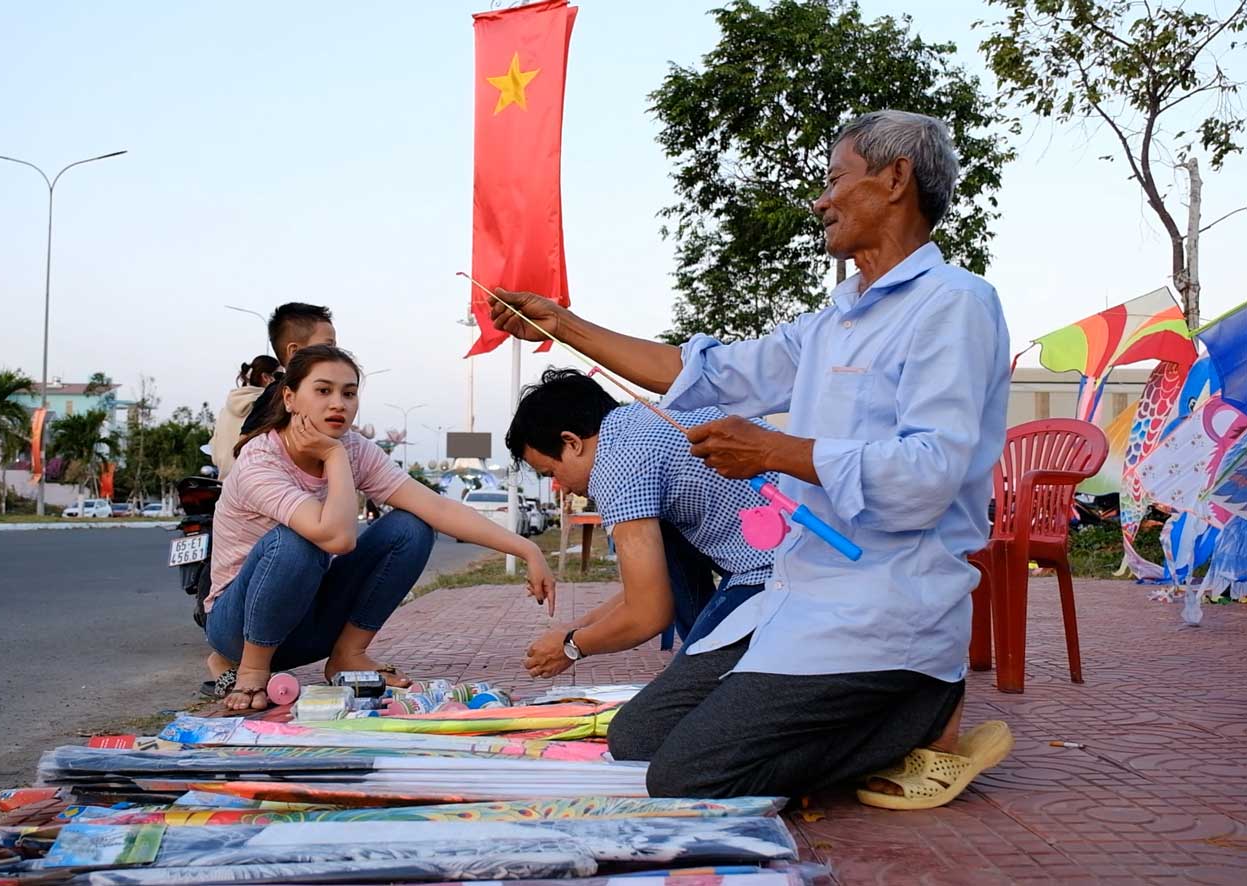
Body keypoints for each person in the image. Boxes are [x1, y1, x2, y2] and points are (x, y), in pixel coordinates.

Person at [487, 110, 1013, 810]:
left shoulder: (955, 305)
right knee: (639, 735)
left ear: (894, 180)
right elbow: (705, 371)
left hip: (884, 603)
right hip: (795, 595)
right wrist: (565, 324)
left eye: (833, 180)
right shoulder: (833, 321)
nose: (820, 200)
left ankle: (919, 705)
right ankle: (868, 715)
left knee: (685, 776)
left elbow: (926, 474)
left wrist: (772, 450)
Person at [206, 344, 555, 711]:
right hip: (239, 627)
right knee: (298, 540)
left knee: (411, 526)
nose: (338, 403)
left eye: (349, 393)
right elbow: (337, 538)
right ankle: (251, 671)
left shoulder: (353, 448)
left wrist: (526, 548)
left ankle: (348, 654)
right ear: (290, 398)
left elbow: (435, 505)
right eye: (323, 391)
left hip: (306, 625)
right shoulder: (261, 459)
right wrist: (334, 455)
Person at [507, 368, 776, 678]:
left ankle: (706, 672)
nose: (562, 487)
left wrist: (571, 646)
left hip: (779, 567)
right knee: (665, 534)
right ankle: (702, 660)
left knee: (655, 716)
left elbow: (648, 613)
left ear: (572, 442)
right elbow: (648, 586)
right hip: (795, 543)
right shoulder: (643, 419)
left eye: (552, 472)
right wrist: (577, 627)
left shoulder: (615, 466)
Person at [210, 303, 338, 476]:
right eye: (328, 347)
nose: (336, 354)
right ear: (294, 351)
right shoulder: (274, 394)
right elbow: (243, 445)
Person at [209, 355, 281, 480]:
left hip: (224, 486)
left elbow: (214, 455)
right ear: (266, 377)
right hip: (254, 485)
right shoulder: (268, 406)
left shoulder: (224, 410)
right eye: (280, 376)